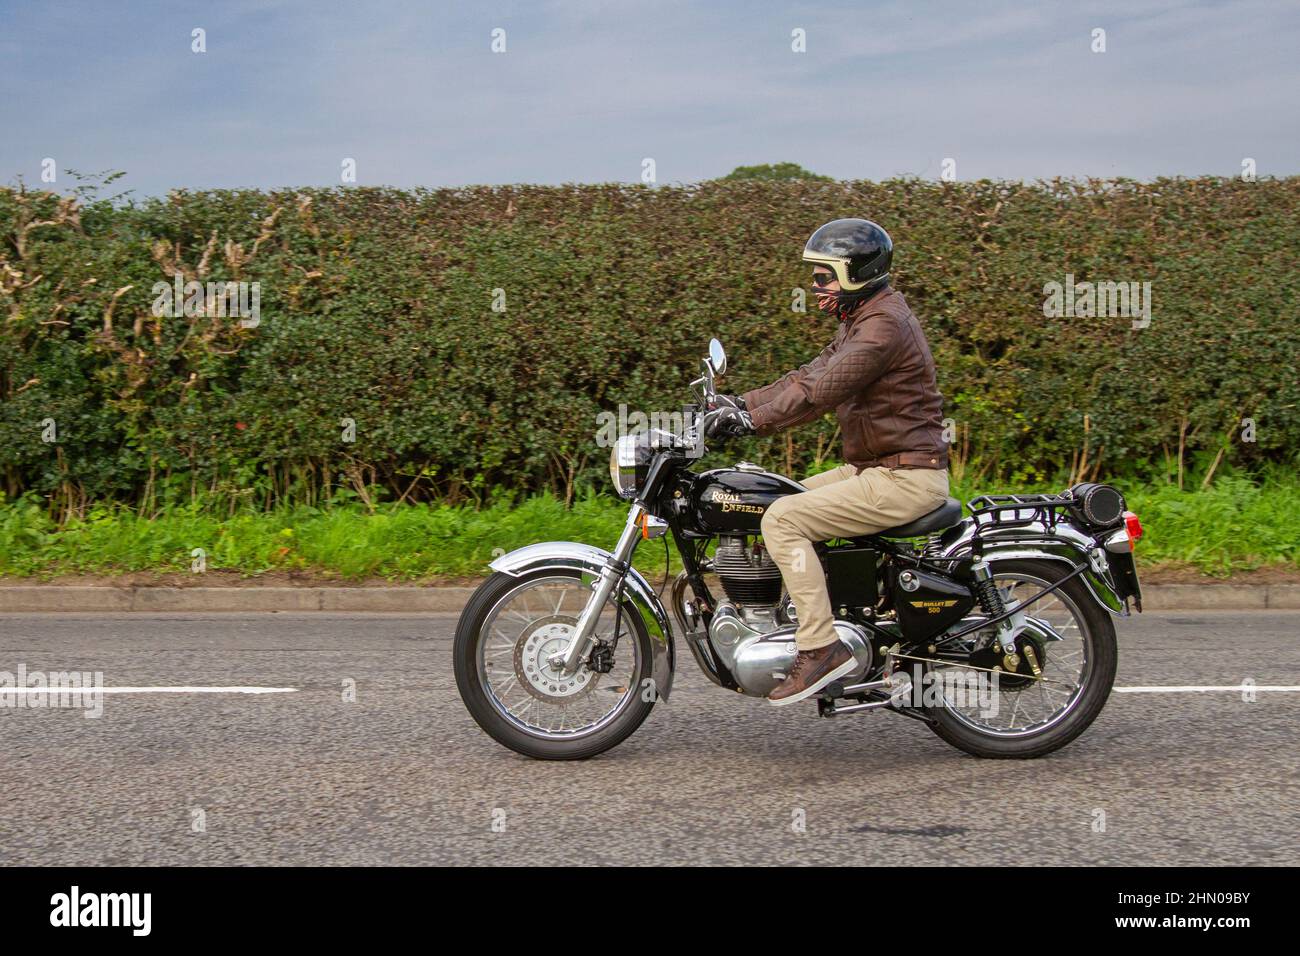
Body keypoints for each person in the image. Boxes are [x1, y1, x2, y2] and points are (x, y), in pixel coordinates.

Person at [705, 218, 950, 705]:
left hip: (905, 477)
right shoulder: (865, 317)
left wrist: (751, 424)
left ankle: (820, 648)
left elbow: (822, 391)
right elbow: (806, 377)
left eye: (824, 275)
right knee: (771, 499)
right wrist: (735, 404)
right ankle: (801, 618)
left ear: (858, 272)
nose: (816, 288)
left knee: (782, 519)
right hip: (876, 469)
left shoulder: (882, 327)